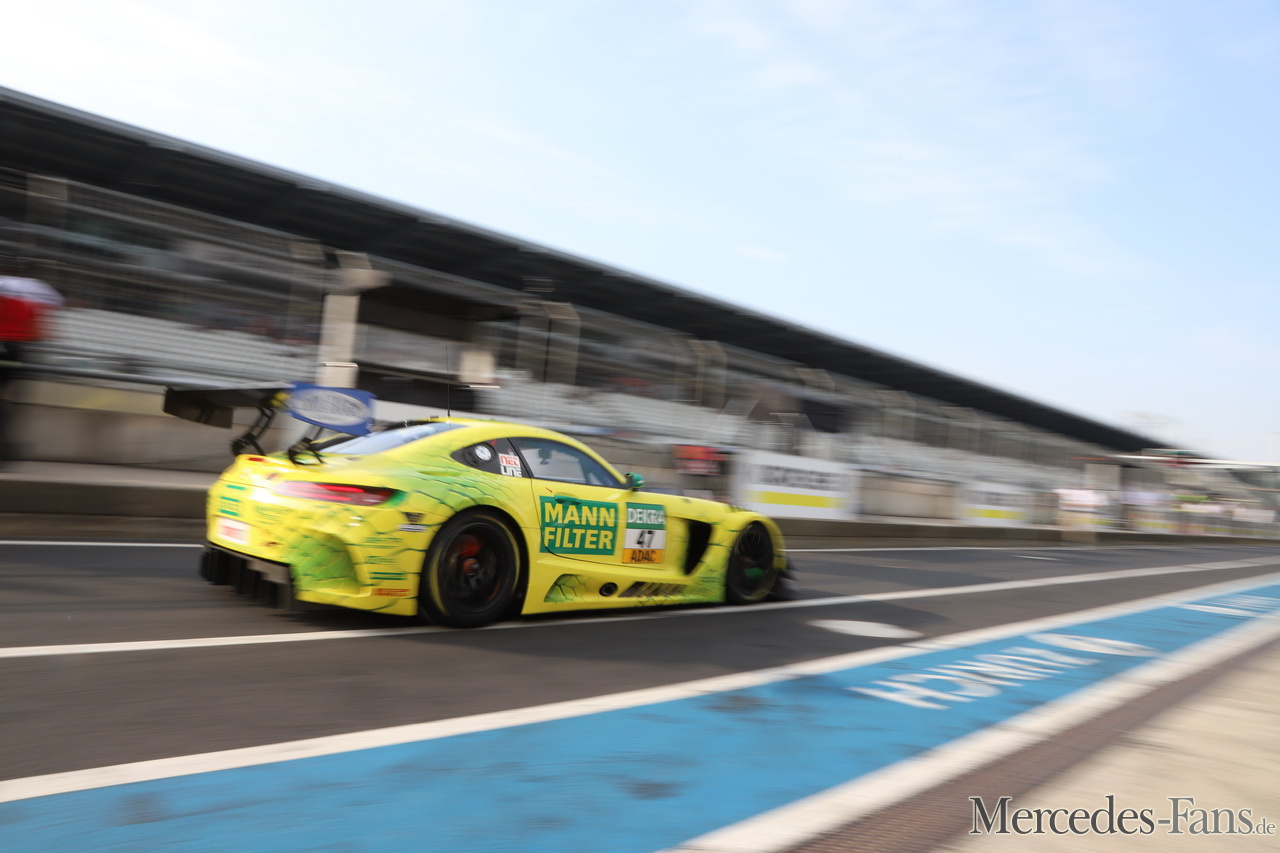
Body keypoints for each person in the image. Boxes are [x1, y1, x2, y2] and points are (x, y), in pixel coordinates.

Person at [0, 260, 64, 462]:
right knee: (5, 397)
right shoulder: (34, 295)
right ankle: (5, 451)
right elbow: (41, 332)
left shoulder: (3, 290)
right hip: (15, 352)